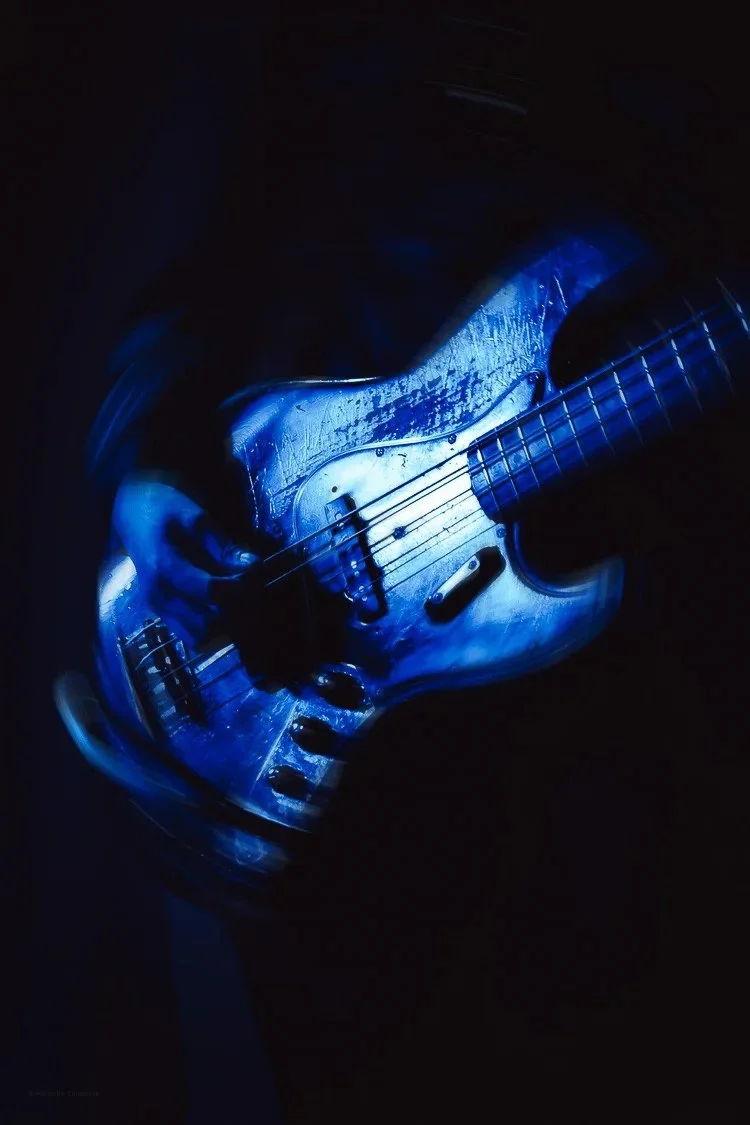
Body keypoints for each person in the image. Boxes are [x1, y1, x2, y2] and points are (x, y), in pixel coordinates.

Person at [70, 11, 750, 1123]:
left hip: (586, 781)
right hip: (337, 803)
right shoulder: (337, 59)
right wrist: (144, 464)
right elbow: (200, 299)